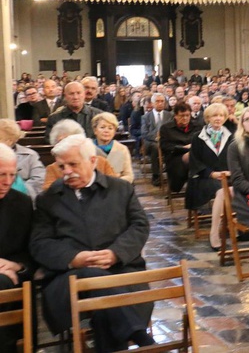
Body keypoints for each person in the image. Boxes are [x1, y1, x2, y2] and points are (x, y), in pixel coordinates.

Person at [30, 135, 154, 351]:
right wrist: (73, 259)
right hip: (67, 280)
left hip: (121, 270)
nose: (66, 171)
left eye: (73, 164)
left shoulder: (120, 190)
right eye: (61, 166)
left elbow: (139, 226)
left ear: (93, 161)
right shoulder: (48, 199)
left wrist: (115, 253)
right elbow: (40, 243)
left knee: (104, 309)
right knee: (90, 276)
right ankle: (141, 338)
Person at [210, 106, 249, 250]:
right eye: (247, 119)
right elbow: (238, 181)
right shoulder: (235, 147)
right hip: (246, 194)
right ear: (242, 124)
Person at [0, 144, 34, 350]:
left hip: (12, 279)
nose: (7, 182)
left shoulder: (21, 203)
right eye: (1, 174)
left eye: (12, 174)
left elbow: (31, 248)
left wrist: (16, 266)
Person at [186, 103, 233, 212]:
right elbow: (195, 161)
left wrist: (229, 172)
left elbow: (235, 158)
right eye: (214, 115)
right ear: (208, 118)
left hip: (228, 175)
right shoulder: (197, 137)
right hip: (204, 177)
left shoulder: (231, 137)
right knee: (220, 188)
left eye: (221, 115)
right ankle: (224, 219)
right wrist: (211, 174)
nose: (218, 118)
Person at [158, 102, 200, 193]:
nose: (185, 118)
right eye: (182, 115)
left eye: (187, 115)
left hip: (196, 156)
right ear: (175, 116)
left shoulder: (197, 126)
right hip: (175, 157)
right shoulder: (166, 128)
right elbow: (165, 146)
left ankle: (197, 185)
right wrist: (184, 147)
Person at [0, 119, 45, 201]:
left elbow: (39, 180)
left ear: (10, 141)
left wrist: (19, 190)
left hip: (22, 199)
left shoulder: (29, 155)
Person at [92, 112, 133, 183]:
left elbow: (129, 176)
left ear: (114, 132)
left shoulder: (121, 149)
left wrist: (113, 183)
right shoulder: (88, 148)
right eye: (102, 127)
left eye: (110, 128)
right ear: (95, 130)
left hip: (116, 189)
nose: (106, 131)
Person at [142, 93, 173, 186]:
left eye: (162, 101)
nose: (160, 103)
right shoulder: (146, 117)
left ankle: (172, 173)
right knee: (156, 148)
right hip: (151, 142)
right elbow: (144, 132)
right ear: (152, 103)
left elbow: (172, 129)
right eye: (157, 101)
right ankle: (156, 175)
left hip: (166, 141)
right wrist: (156, 138)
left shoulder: (169, 115)